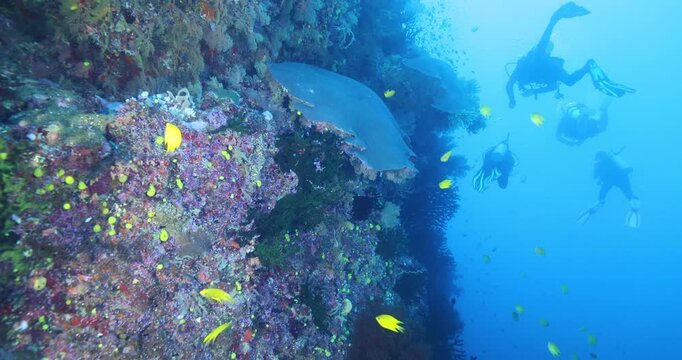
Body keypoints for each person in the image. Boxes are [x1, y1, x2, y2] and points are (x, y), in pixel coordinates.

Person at [505, 2, 635, 108]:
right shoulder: (525, 74)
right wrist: (533, 91)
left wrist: (512, 100)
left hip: (540, 62)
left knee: (539, 53)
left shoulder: (522, 67)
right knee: (569, 81)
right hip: (548, 67)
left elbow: (509, 85)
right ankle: (589, 66)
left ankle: (555, 18)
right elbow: (553, 86)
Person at [577, 148, 641, 228]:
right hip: (621, 178)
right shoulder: (610, 160)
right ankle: (634, 206)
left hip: (609, 181)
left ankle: (596, 206)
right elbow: (628, 169)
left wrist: (601, 180)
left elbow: (596, 177)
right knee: (629, 195)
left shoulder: (598, 164)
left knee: (601, 198)